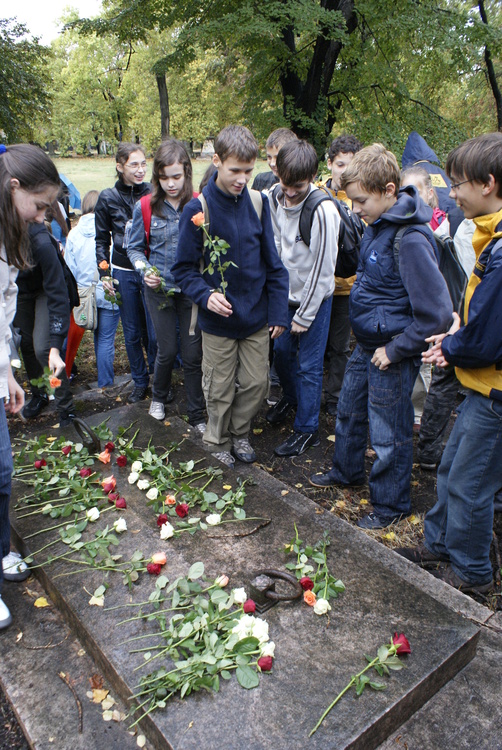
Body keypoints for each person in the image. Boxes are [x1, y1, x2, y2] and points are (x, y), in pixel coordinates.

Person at [309, 143, 452, 529]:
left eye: (361, 201)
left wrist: (396, 349)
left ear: (389, 190)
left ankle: (391, 506)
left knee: (389, 432)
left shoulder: (411, 239)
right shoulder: (378, 224)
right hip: (367, 343)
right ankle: (347, 471)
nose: (356, 209)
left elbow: (437, 314)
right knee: (349, 411)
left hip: (392, 351)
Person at [397, 132, 502, 594]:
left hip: (494, 395)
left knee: (470, 485)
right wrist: (459, 330)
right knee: (450, 468)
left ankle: (472, 572)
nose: (451, 194)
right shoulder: (489, 237)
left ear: (488, 184)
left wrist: (454, 345)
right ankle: (440, 543)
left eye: (458, 184)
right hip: (480, 386)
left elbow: (489, 338)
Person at [173, 125, 289, 468]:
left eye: (248, 171)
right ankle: (218, 440)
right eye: (235, 170)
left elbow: (274, 265)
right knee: (219, 388)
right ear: (217, 162)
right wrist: (205, 295)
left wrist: (278, 312)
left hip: (255, 317)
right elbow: (183, 269)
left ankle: (240, 433)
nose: (242, 179)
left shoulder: (258, 203)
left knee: (256, 384)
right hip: (218, 320)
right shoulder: (198, 208)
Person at [0, 143, 61, 629]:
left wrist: (6, 372)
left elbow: (3, 311)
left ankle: (2, 548)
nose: (43, 217)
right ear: (13, 187)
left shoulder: (12, 234)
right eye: (39, 206)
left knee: (3, 472)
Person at [266, 139, 340, 456]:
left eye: (298, 186)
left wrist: (304, 316)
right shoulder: (273, 197)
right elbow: (275, 248)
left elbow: (323, 271)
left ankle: (307, 429)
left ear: (311, 177)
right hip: (285, 295)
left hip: (315, 300)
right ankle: (292, 398)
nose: (291, 193)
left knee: (309, 365)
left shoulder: (323, 211)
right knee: (281, 353)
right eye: (286, 184)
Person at [126, 139, 206, 431]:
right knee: (166, 349)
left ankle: (197, 413)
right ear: (156, 177)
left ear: (186, 172)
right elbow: (134, 248)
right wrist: (145, 270)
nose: (171, 184)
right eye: (164, 178)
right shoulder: (146, 206)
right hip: (158, 290)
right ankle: (158, 397)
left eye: (176, 176)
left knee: (193, 354)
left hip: (190, 290)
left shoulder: (199, 204)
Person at [95, 143, 156, 403]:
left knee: (154, 332)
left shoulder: (153, 192)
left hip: (150, 269)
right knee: (131, 332)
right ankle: (140, 381)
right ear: (120, 166)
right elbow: (101, 240)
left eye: (143, 164)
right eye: (134, 165)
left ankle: (159, 378)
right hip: (123, 270)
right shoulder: (107, 198)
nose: (141, 170)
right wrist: (105, 273)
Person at [15, 222, 75, 426]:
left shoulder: (41, 242)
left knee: (43, 348)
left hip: (44, 289)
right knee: (26, 343)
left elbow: (57, 292)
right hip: (18, 290)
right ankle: (39, 393)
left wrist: (56, 341)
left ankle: (65, 406)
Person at [321, 134, 363, 417]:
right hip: (318, 285)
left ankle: (335, 395)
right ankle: (307, 392)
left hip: (346, 287)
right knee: (312, 345)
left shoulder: (359, 200)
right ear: (329, 163)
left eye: (351, 166)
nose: (344, 172)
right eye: (340, 165)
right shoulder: (317, 194)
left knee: (339, 346)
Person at [64, 190, 120, 388]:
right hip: (107, 290)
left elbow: (69, 268)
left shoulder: (73, 234)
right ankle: (105, 383)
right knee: (105, 339)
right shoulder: (109, 231)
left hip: (83, 293)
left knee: (98, 335)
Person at [252, 128, 297, 193]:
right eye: (269, 157)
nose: (272, 163)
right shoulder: (260, 181)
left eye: (278, 158)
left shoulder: (302, 184)